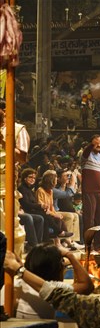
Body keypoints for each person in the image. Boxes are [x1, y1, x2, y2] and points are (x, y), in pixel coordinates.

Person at [14, 243, 93, 319]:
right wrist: (70, 255)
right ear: (55, 268)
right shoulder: (53, 288)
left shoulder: (16, 283)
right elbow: (87, 286)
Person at [0, 100, 30, 256]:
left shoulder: (17, 129)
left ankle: (12, 267)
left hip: (6, 186)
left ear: (5, 110)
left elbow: (22, 158)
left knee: (10, 230)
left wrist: (2, 140)